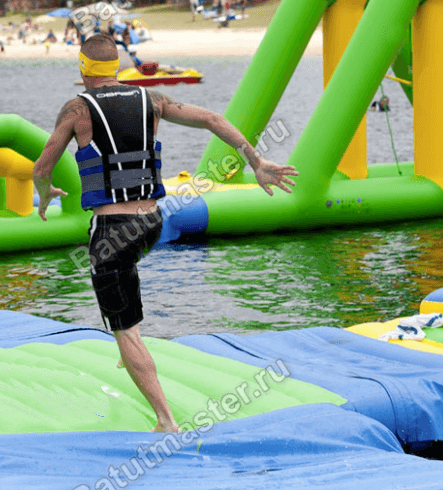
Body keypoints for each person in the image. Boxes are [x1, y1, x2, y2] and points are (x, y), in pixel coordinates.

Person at [32, 34, 297, 433]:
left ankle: (165, 419)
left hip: (112, 230)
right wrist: (256, 161)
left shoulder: (77, 109)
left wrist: (44, 194)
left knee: (123, 326)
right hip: (152, 223)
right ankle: (129, 342)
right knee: (126, 274)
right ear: (117, 65)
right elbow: (212, 119)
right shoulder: (152, 100)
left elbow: (41, 168)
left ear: (83, 68)